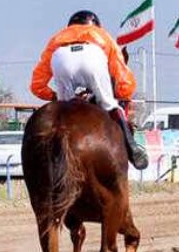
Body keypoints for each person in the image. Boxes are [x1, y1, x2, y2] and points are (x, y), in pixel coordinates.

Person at [30, 10, 148, 170]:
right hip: (93, 57)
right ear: (96, 25)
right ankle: (133, 149)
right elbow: (125, 82)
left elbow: (36, 86)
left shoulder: (57, 38)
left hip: (60, 59)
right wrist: (121, 95)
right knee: (112, 106)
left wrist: (55, 96)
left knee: (65, 110)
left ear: (69, 26)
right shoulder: (103, 35)